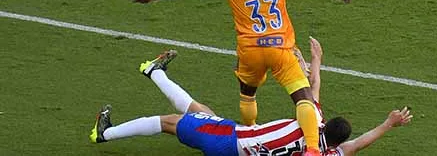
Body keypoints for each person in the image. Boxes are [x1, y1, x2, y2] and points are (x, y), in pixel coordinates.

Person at [126, 0, 352, 156]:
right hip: (280, 47)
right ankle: (313, 149)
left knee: (248, 94)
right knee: (304, 98)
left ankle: (250, 136)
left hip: (251, 50)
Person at [90, 39, 413, 155]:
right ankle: (154, 71)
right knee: (201, 110)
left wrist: (313, 62)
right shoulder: (328, 153)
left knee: (169, 122)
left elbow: (311, 91)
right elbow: (357, 145)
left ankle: (105, 134)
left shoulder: (312, 121)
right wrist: (388, 124)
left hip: (229, 141)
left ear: (325, 124)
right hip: (235, 143)